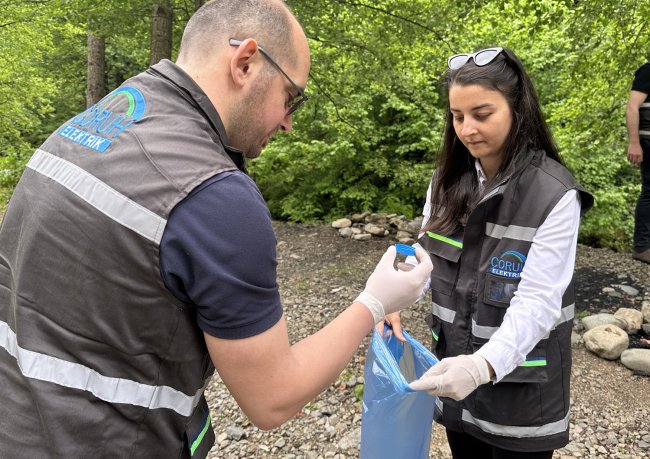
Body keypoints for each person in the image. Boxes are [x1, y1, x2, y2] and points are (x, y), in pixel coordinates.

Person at [0, 1, 433, 457]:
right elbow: (272, 398)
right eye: (292, 97)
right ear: (245, 62)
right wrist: (375, 301)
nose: (288, 122)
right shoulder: (214, 196)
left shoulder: (94, 124)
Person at [387, 47, 594, 458]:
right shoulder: (446, 181)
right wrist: (391, 299)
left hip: (521, 390)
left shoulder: (554, 194)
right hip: (453, 375)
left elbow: (539, 301)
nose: (467, 129)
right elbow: (425, 258)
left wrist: (482, 366)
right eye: (457, 116)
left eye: (482, 114)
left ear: (518, 110)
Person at [626, 58, 650, 263]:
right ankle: (642, 247)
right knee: (649, 191)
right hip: (648, 139)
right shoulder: (648, 71)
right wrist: (634, 142)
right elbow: (632, 107)